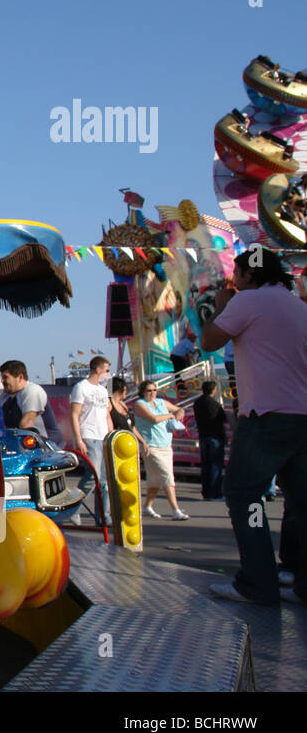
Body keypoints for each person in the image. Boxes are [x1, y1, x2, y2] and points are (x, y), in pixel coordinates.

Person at [200, 248, 307, 605]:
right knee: (301, 502)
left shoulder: (248, 302)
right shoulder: (298, 306)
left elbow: (209, 340)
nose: (233, 278)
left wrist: (222, 306)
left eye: (237, 271)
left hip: (266, 416)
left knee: (245, 495)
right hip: (302, 418)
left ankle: (258, 582)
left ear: (248, 274)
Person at [133, 381, 189, 520]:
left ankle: (147, 506)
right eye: (149, 390)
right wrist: (170, 415)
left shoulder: (161, 402)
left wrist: (178, 413)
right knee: (167, 475)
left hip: (165, 445)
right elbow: (153, 419)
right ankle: (176, 510)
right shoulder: (139, 404)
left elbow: (178, 409)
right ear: (142, 392)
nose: (152, 393)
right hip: (151, 446)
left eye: (154, 390)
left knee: (155, 479)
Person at [70, 356, 112, 524]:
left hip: (103, 437)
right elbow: (74, 413)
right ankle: (73, 508)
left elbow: (107, 414)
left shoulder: (103, 390)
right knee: (92, 476)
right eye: (107, 370)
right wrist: (78, 438)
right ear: (98, 369)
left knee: (104, 480)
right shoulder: (81, 387)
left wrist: (111, 434)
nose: (108, 374)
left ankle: (103, 515)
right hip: (88, 434)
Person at [193, 379, 228, 501]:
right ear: (213, 390)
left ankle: (207, 492)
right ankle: (215, 493)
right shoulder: (215, 404)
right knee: (215, 466)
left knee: (206, 465)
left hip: (203, 435)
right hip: (215, 436)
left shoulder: (197, 403)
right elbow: (223, 418)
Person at [0, 360, 51, 439]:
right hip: (19, 445)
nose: (2, 381)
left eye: (5, 377)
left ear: (20, 377)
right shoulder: (4, 396)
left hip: (46, 446)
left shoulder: (32, 390)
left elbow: (27, 424)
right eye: (1, 377)